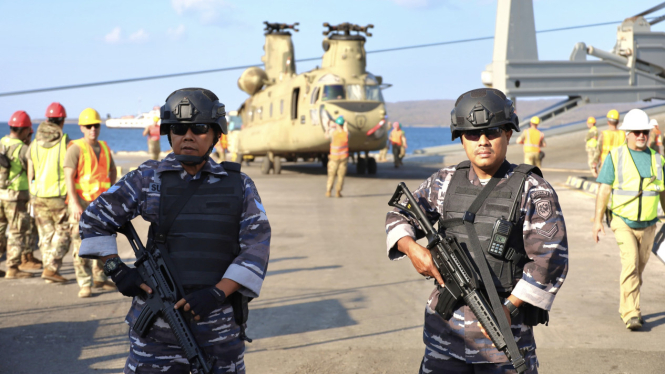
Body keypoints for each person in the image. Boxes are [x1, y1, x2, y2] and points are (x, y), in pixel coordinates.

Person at [78, 88, 270, 373]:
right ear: (169, 133)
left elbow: (256, 247)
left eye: (200, 128)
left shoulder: (239, 185)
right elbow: (93, 219)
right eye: (179, 128)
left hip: (219, 333)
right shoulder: (148, 179)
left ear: (216, 134)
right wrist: (117, 270)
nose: (188, 136)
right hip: (157, 337)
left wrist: (218, 293)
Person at [385, 88, 568, 373]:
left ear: (508, 133)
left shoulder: (533, 190)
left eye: (492, 131)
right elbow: (400, 212)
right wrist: (411, 248)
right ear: (460, 138)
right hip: (444, 339)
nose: (482, 141)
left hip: (503, 341)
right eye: (472, 134)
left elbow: (550, 260)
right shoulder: (444, 182)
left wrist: (509, 307)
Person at [592, 109, 663, 331]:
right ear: (627, 133)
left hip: (649, 223)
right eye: (636, 131)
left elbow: (662, 192)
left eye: (645, 131)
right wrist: (597, 221)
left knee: (637, 270)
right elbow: (604, 190)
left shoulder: (658, 159)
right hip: (622, 220)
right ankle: (632, 313)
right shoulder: (616, 156)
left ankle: (626, 306)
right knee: (630, 263)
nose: (641, 135)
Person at [64, 108, 118, 298]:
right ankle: (84, 283)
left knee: (103, 242)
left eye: (95, 125)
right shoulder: (75, 148)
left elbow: (112, 171)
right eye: (88, 126)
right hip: (81, 203)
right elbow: (68, 177)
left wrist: (111, 192)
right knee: (80, 245)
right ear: (81, 128)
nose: (92, 129)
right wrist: (74, 203)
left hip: (101, 205)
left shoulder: (104, 147)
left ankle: (100, 278)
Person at [27, 102, 71, 283]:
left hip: (37, 195)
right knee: (65, 233)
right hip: (58, 196)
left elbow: (31, 172)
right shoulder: (65, 142)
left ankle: (48, 269)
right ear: (62, 121)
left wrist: (32, 192)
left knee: (46, 235)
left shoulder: (34, 144)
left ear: (47, 120)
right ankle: (51, 268)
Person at [1, 111, 36, 279]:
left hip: (0, 193)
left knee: (0, 229)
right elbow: (31, 169)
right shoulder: (22, 149)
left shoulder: (1, 142)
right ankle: (13, 267)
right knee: (16, 231)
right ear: (24, 130)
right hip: (15, 196)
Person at [593, 109, 626, 173]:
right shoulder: (623, 134)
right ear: (618, 122)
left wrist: (594, 165)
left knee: (603, 183)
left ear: (608, 122)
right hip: (620, 166)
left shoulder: (604, 134)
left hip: (605, 165)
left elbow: (598, 151)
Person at [326, 116, 349, 197]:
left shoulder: (333, 134)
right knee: (341, 176)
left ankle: (328, 191)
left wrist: (328, 126)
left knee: (331, 175)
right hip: (343, 159)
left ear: (337, 124)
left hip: (334, 158)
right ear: (343, 124)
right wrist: (346, 126)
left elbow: (326, 136)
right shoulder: (345, 133)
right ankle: (338, 192)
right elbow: (347, 133)